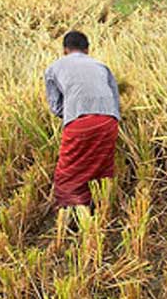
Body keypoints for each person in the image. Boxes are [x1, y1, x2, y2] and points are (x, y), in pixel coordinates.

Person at [44, 31, 120, 210]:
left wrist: (74, 111)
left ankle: (71, 211)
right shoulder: (101, 66)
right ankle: (99, 207)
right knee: (101, 164)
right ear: (87, 49)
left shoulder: (54, 68)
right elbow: (115, 100)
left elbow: (56, 108)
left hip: (79, 122)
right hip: (109, 121)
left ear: (64, 50)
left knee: (69, 170)